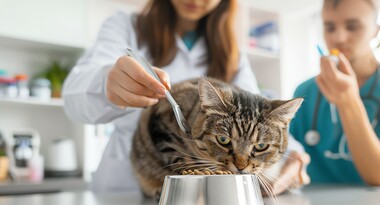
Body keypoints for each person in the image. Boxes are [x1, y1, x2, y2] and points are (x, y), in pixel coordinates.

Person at [63, 0, 309, 193]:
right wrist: (109, 81)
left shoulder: (233, 54)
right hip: (123, 188)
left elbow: (264, 120)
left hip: (207, 187)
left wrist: (295, 157)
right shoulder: (125, 26)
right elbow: (73, 98)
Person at [290, 0, 380, 186]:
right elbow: (290, 159)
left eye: (353, 27)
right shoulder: (305, 92)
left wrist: (348, 102)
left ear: (375, 30)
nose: (339, 38)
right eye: (330, 28)